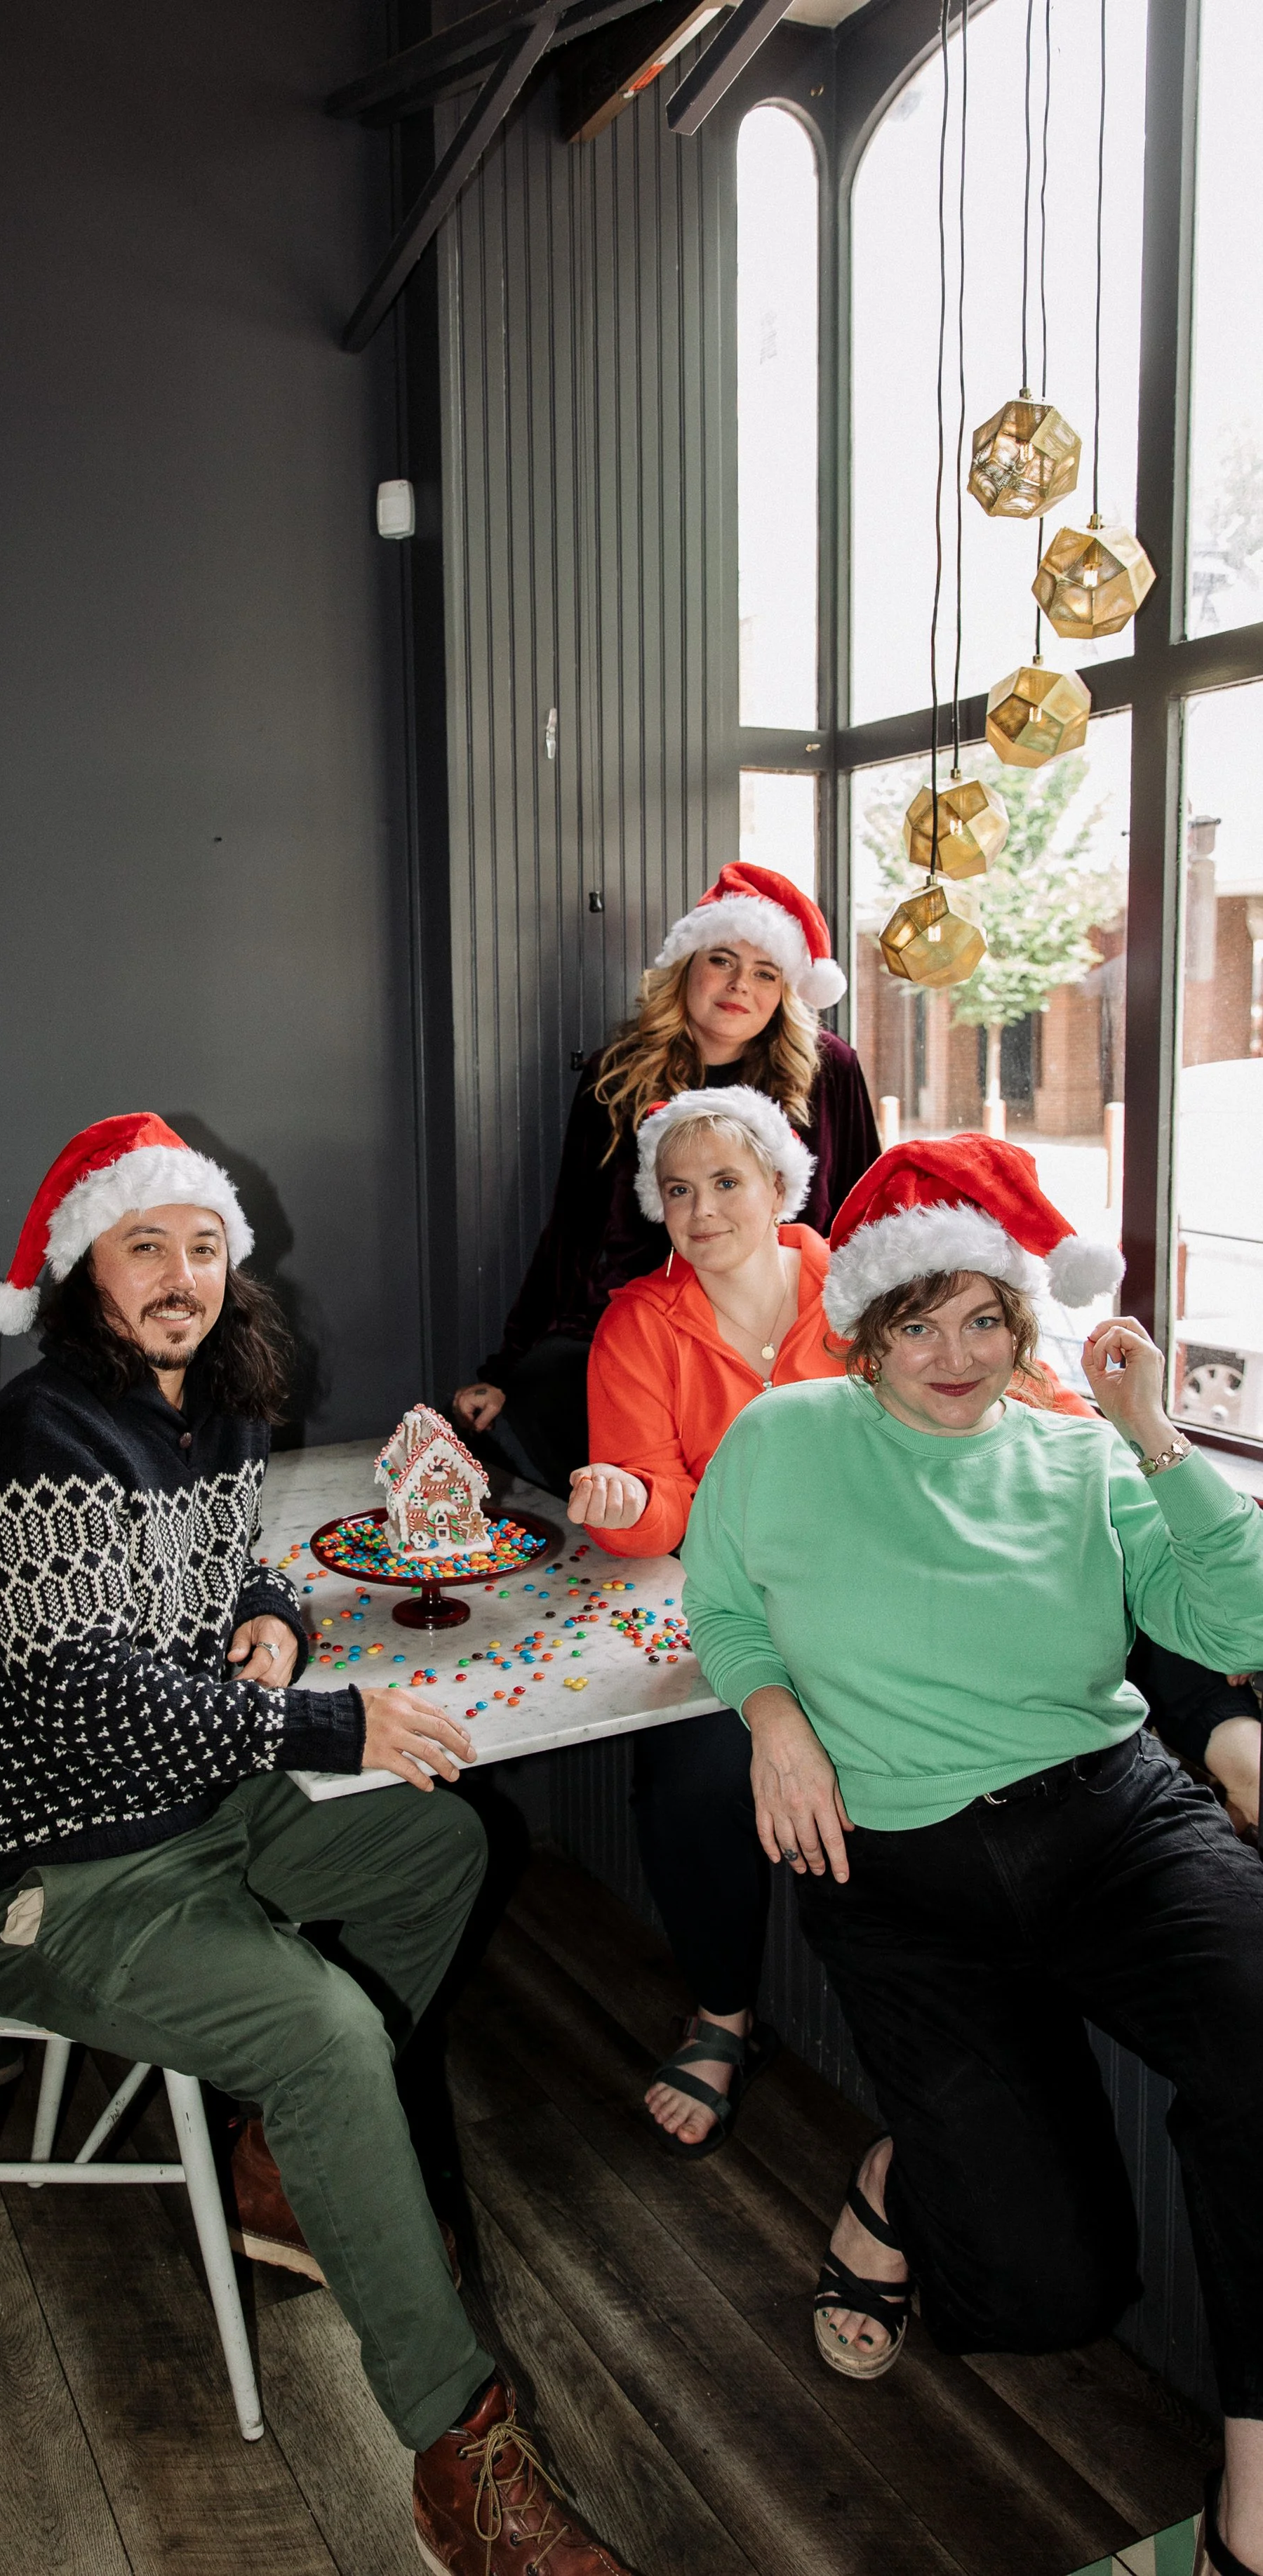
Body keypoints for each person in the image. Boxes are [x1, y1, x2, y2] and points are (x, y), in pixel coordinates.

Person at [0, 1113, 637, 2576]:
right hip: (49, 1868)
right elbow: (92, 1695)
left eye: (199, 1244)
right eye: (142, 1245)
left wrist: (276, 1620)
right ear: (82, 1275)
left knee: (440, 1853)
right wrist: (322, 1722)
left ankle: (271, 2156)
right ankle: (456, 2450)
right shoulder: (40, 1435)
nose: (179, 1273)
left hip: (192, 1809)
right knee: (320, 2025)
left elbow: (230, 1565)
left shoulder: (216, 1404)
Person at [680, 1136, 1263, 2576]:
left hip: (1110, 1818)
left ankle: (1251, 2503)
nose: (952, 1354)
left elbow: (1234, 1630)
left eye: (984, 1317)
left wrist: (1156, 1436)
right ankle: (898, 2174)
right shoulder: (785, 1436)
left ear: (1022, 1322)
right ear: (865, 1329)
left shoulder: (1075, 1449)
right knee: (1037, 2287)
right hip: (900, 1877)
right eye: (917, 1321)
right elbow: (719, 1598)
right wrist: (768, 1716)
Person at [566, 1087, 838, 2157]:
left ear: (780, 1185)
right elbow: (658, 1499)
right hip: (731, 1603)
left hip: (874, 1592)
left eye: (727, 1180)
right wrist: (631, 1509)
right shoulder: (639, 1322)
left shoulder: (856, 1287)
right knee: (688, 1773)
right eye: (678, 1190)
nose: (703, 1206)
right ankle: (722, 2014)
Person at [453, 863, 878, 1499]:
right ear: (688, 967)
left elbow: (864, 1215)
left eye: (766, 973)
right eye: (724, 961)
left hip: (781, 1324)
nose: (741, 986)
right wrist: (506, 1367)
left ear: (788, 989)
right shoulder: (617, 1075)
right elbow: (571, 1230)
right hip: (645, 1325)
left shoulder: (828, 1070)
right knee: (550, 1393)